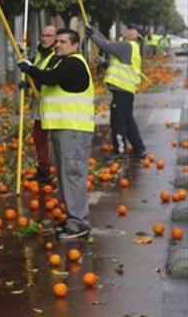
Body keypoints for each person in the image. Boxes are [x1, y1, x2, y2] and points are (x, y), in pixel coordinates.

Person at [18, 29, 94, 240]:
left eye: (62, 41)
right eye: (57, 41)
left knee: (72, 175)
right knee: (64, 176)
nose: (57, 45)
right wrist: (31, 73)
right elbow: (45, 79)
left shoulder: (74, 63)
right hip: (62, 128)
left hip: (74, 129)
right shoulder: (59, 61)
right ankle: (73, 218)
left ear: (75, 45)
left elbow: (50, 78)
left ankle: (79, 222)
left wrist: (30, 69)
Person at [86, 24, 146, 159]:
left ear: (138, 35)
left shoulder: (127, 46)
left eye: (132, 30)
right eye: (128, 28)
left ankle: (120, 151)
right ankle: (139, 148)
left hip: (122, 90)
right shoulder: (132, 48)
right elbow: (121, 65)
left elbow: (106, 45)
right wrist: (104, 63)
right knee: (128, 120)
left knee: (118, 121)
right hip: (126, 90)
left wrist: (92, 35)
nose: (128, 31)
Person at [21, 25, 58, 185]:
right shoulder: (39, 55)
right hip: (40, 103)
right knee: (39, 138)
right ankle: (44, 170)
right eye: (43, 35)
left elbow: (48, 76)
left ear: (55, 38)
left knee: (56, 139)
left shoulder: (56, 56)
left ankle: (57, 170)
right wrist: (27, 83)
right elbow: (36, 72)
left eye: (49, 35)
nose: (45, 38)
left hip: (53, 104)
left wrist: (32, 77)